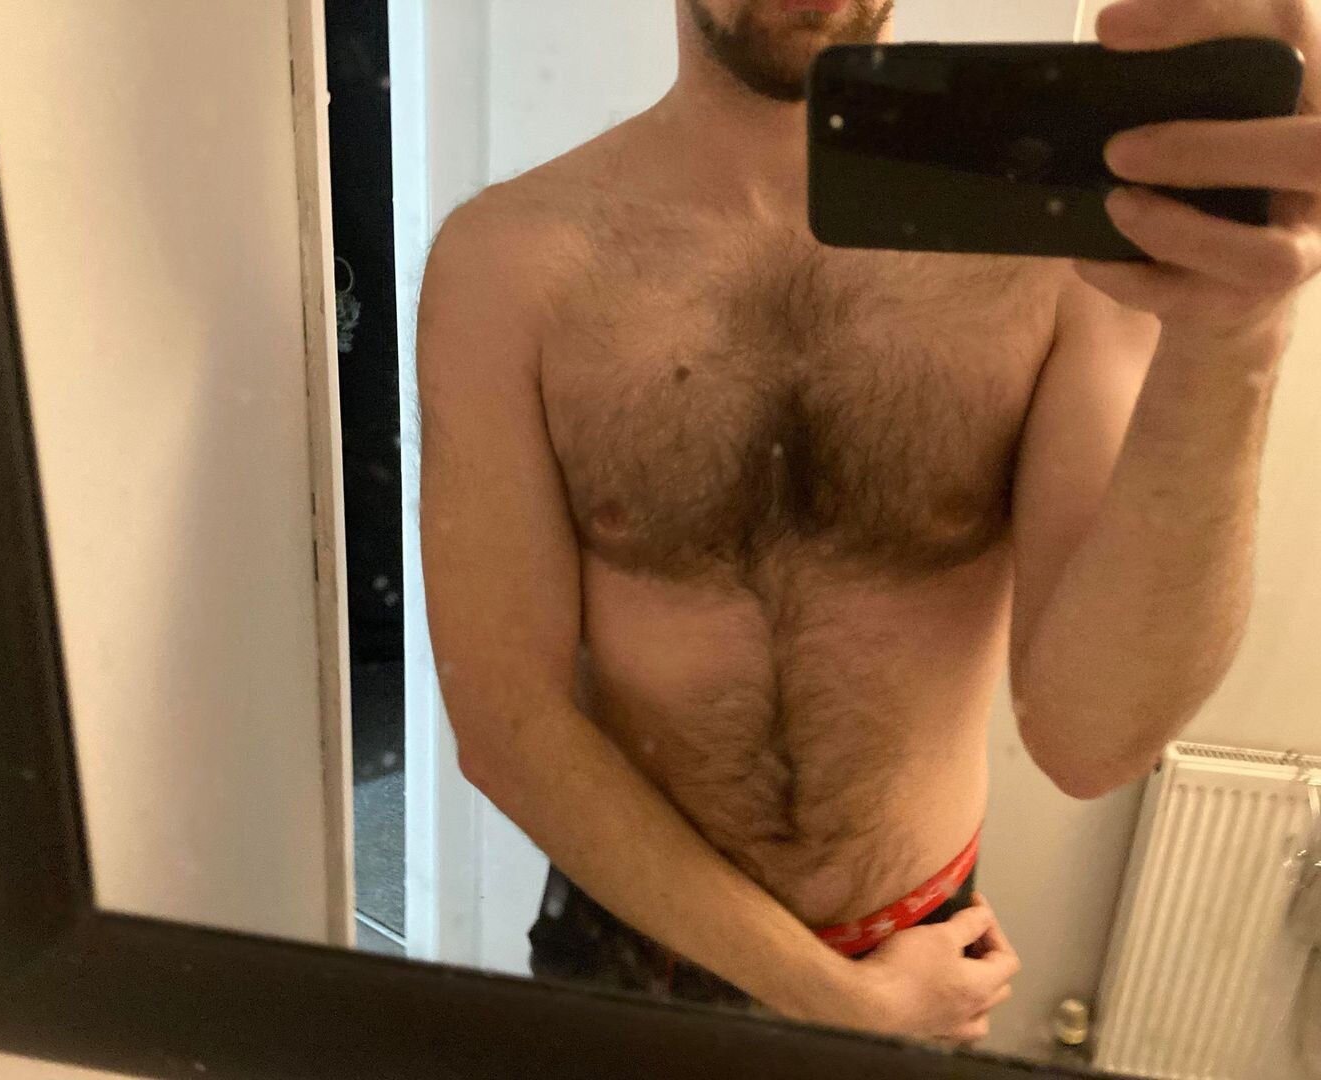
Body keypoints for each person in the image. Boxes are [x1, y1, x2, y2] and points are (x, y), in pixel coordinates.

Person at [417, 0, 1321, 1044]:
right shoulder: (507, 264)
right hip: (634, 956)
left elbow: (1092, 740)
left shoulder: (1056, 252)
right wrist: (836, 1000)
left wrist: (1234, 337)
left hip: (919, 950)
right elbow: (508, 722)